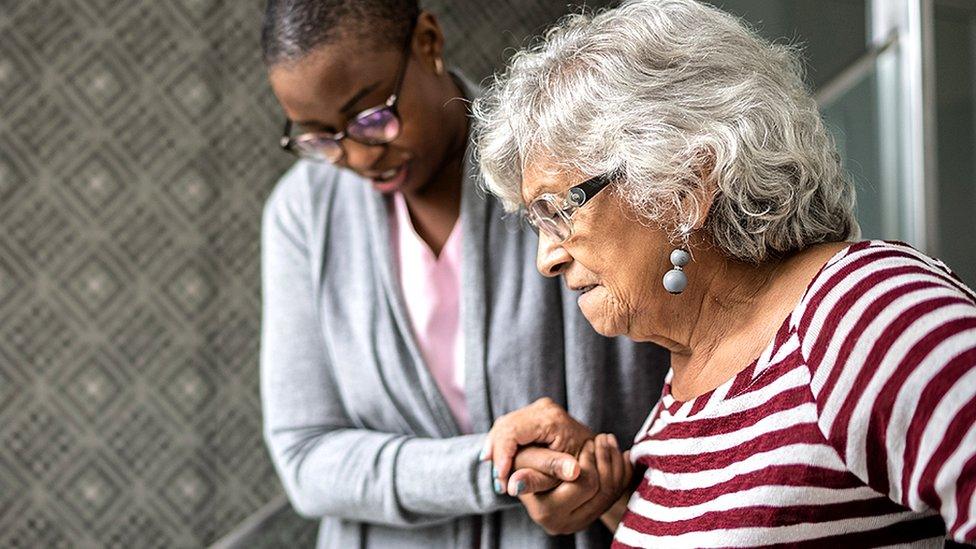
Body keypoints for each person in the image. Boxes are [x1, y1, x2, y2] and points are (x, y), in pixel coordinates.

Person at [473, 0, 976, 546]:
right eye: (536, 221)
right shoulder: (685, 382)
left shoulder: (861, 309)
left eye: (560, 209)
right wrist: (613, 498)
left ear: (684, 187)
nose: (547, 257)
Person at [258, 1, 669, 547]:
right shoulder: (303, 215)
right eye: (320, 138)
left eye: (371, 117)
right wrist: (492, 466)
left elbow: (661, 382)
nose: (357, 157)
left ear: (427, 41)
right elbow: (306, 456)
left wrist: (601, 486)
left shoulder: (560, 165)